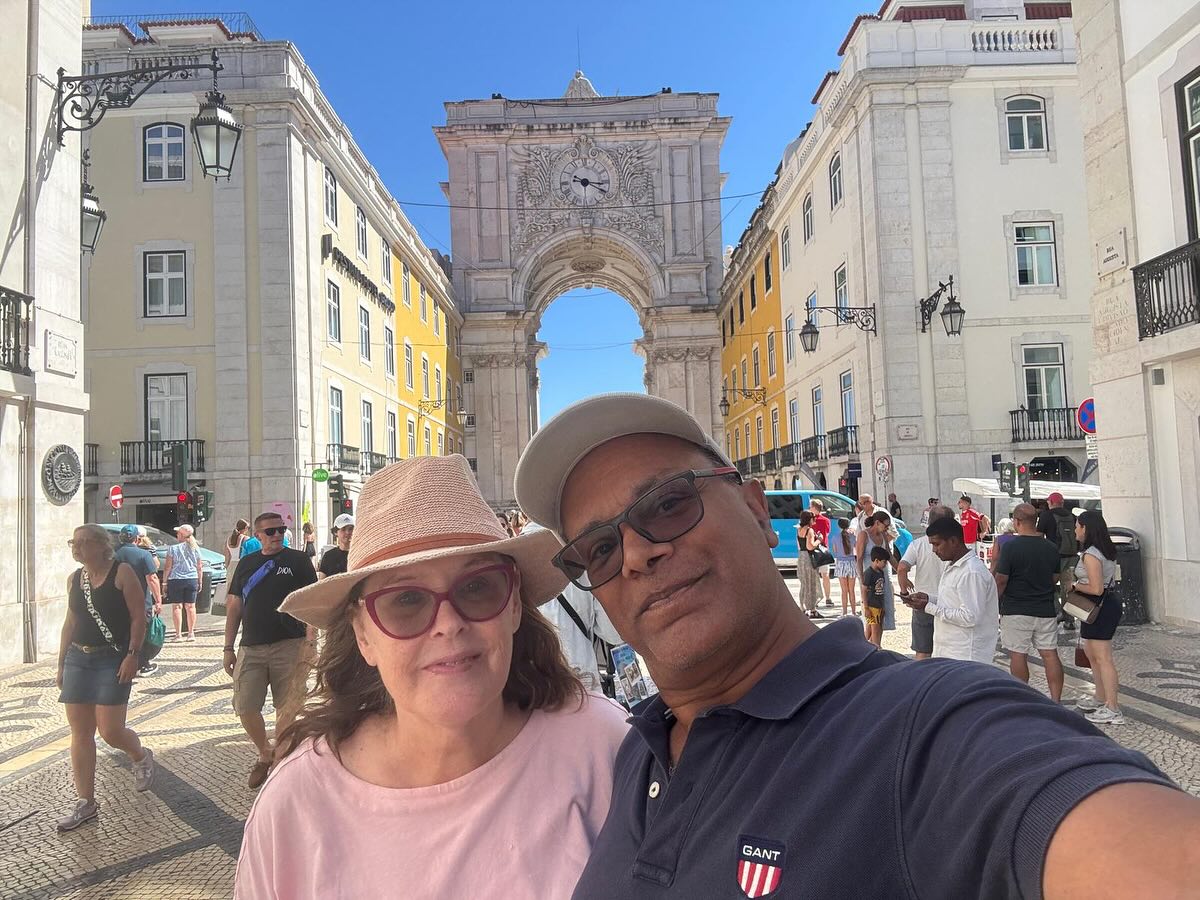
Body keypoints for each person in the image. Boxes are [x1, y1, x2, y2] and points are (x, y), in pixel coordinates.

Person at [512, 392, 1198, 899]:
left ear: (754, 508)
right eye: (599, 548)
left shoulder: (927, 729)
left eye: (667, 504)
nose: (637, 554)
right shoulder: (637, 752)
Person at [235, 456, 628, 898]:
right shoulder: (295, 807)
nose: (448, 624)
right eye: (406, 599)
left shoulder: (605, 748)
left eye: (477, 587)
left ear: (515, 604)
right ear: (363, 635)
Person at [56, 524, 156, 832]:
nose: (77, 547)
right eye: (74, 542)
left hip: (112, 657)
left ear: (102, 545)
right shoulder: (75, 579)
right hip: (78, 657)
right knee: (81, 732)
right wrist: (61, 664)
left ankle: (140, 755)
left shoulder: (122, 572)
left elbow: (138, 616)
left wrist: (133, 654)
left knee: (111, 731)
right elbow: (70, 622)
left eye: (85, 541)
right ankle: (86, 802)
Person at [223, 512, 318, 789]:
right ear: (257, 536)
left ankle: (280, 763)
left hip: (290, 644)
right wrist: (228, 647)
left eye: (281, 530)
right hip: (251, 645)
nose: (277, 535)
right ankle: (265, 752)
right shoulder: (247, 563)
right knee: (245, 706)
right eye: (270, 531)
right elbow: (234, 605)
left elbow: (311, 601)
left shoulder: (298, 560)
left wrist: (311, 642)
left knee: (288, 707)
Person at [994, 504, 1065, 701]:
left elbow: (1001, 579)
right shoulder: (1051, 547)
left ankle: (1022, 699)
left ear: (1016, 522)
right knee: (1050, 655)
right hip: (1045, 609)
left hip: (1016, 609)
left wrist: (994, 602)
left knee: (1018, 655)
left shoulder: (1010, 547)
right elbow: (1055, 577)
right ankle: (1056, 700)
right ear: (1035, 521)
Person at [903, 517, 998, 663]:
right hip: (950, 652)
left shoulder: (971, 572)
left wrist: (928, 607)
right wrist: (928, 599)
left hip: (966, 655)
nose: (934, 550)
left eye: (937, 544)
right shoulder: (953, 566)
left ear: (953, 541)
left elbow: (970, 617)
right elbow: (952, 601)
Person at [1070, 510, 1124, 725]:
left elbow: (1096, 588)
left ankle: (1113, 708)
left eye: (1077, 526)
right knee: (1092, 654)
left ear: (1085, 528)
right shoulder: (1103, 550)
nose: (1075, 530)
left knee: (1103, 657)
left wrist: (1075, 585)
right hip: (1098, 606)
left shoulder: (1092, 554)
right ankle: (1101, 697)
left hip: (1099, 606)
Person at [540, 577, 624, 693]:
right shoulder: (585, 575)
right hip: (583, 688)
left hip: (532, 689)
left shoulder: (519, 580)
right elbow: (614, 634)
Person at [897, 504, 954, 660]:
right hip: (949, 603)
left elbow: (902, 568)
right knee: (948, 653)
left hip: (923, 602)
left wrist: (904, 592)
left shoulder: (919, 544)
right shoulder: (954, 544)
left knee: (923, 650)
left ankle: (921, 675)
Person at [114, 524, 162, 678]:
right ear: (137, 539)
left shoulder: (113, 555)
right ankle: (141, 664)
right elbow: (152, 578)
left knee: (121, 633)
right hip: (141, 602)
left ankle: (120, 663)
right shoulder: (144, 555)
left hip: (118, 602)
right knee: (141, 633)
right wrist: (158, 600)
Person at [856, 511, 897, 637]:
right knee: (872, 614)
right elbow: (859, 559)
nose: (887, 528)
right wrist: (862, 580)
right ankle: (874, 643)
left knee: (881, 611)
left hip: (882, 577)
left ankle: (870, 642)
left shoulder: (883, 535)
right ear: (877, 523)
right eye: (885, 525)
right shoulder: (864, 535)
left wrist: (900, 570)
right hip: (870, 577)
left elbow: (889, 555)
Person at [163, 524, 202, 643]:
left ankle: (178, 634)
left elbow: (168, 567)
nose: (176, 535)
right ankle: (191, 633)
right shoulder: (196, 548)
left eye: (178, 533)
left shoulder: (173, 549)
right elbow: (199, 566)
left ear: (181, 535)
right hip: (192, 578)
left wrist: (164, 582)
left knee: (177, 606)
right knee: (191, 606)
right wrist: (200, 581)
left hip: (176, 579)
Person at [1047, 491, 1080, 631]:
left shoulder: (1047, 515)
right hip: (1071, 556)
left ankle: (1057, 611)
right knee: (1067, 588)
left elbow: (1038, 535)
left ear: (1051, 502)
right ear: (1062, 503)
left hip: (1053, 557)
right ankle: (1069, 619)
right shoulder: (1072, 516)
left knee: (1048, 585)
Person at [794, 510, 822, 619]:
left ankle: (803, 607)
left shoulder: (799, 529)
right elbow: (810, 546)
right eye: (813, 518)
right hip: (809, 558)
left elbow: (799, 545)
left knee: (804, 583)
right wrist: (819, 540)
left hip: (801, 557)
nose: (814, 520)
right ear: (809, 519)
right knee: (812, 583)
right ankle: (812, 609)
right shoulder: (809, 530)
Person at [862, 546, 890, 648]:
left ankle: (864, 645)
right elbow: (864, 590)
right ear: (877, 560)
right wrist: (866, 608)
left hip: (879, 604)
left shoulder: (880, 572)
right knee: (875, 628)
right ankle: (876, 646)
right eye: (884, 562)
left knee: (873, 627)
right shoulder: (869, 573)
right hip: (872, 605)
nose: (885, 564)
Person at [808, 499, 833, 606]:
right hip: (823, 549)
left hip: (812, 549)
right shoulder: (826, 520)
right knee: (825, 575)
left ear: (814, 508)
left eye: (810, 506)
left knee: (814, 576)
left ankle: (815, 599)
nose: (809, 508)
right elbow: (827, 533)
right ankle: (828, 598)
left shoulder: (809, 520)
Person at [831, 517, 858, 617]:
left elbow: (835, 551)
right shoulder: (853, 537)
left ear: (839, 526)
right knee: (852, 590)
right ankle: (854, 612)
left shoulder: (835, 537)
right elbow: (856, 549)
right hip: (851, 563)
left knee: (844, 590)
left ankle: (844, 612)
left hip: (841, 563)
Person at [317, 514, 354, 580]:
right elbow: (321, 582)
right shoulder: (328, 556)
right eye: (343, 529)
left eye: (351, 529)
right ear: (335, 532)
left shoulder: (359, 555)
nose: (348, 532)